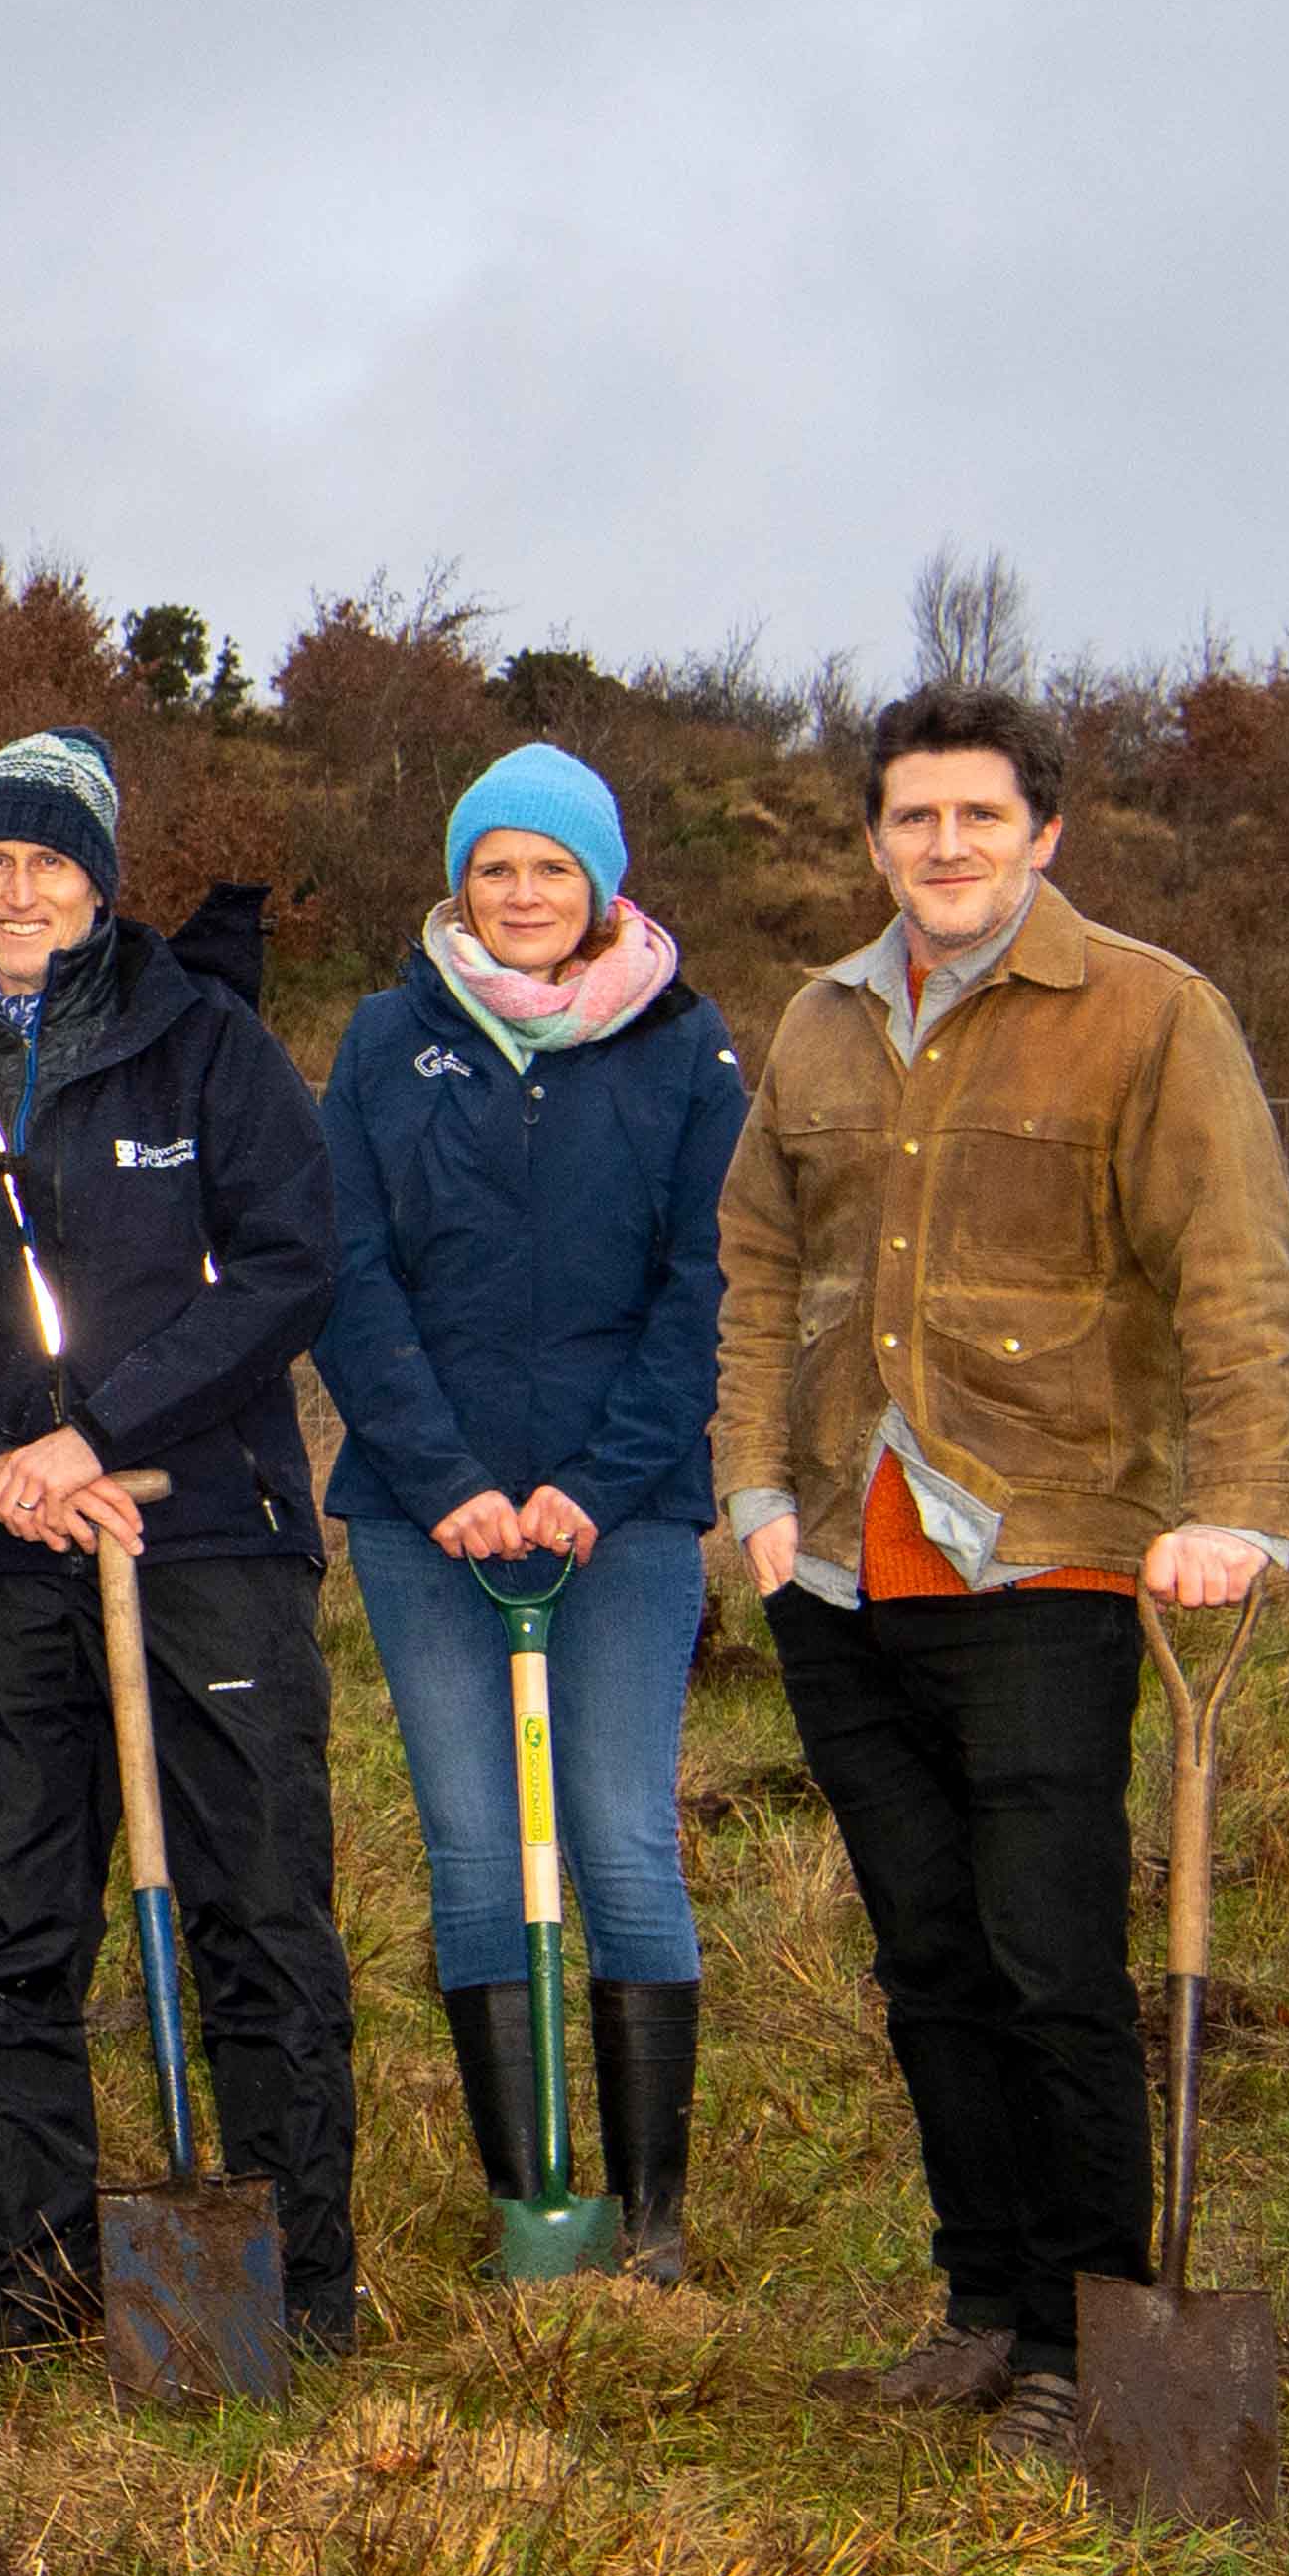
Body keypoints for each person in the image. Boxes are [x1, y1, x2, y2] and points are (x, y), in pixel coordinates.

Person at [718, 684, 1289, 2466]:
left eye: (979, 817)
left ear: (1040, 833)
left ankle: (1083, 2329)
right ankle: (981, 2307)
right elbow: (756, 1264)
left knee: (1045, 1956)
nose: (944, 847)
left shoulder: (1143, 1011)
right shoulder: (818, 1025)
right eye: (912, 819)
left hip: (1046, 1545)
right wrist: (748, 1480)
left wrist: (1237, 1507)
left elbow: (1235, 1271)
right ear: (873, 836)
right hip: (837, 1565)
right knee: (920, 1957)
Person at [0, 729, 354, 2369]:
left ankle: (291, 2285)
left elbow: (286, 1266)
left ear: (101, 884)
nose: (16, 892)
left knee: (256, 1905)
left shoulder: (207, 1044)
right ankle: (39, 2286)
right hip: (3, 1553)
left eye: (49, 864)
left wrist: (104, 1431)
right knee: (1, 1920)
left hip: (208, 1538)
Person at [319, 743, 743, 2287]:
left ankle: (650, 2221)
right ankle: (528, 2205)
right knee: (480, 1854)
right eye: (494, 865)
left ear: (601, 887)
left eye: (550, 868)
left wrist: (593, 1484)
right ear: (458, 881)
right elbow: (346, 1278)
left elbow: (701, 1297)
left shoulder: (687, 1056)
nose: (519, 894)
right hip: (426, 1521)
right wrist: (447, 1483)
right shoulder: (383, 1043)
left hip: (618, 1518)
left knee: (623, 1840)